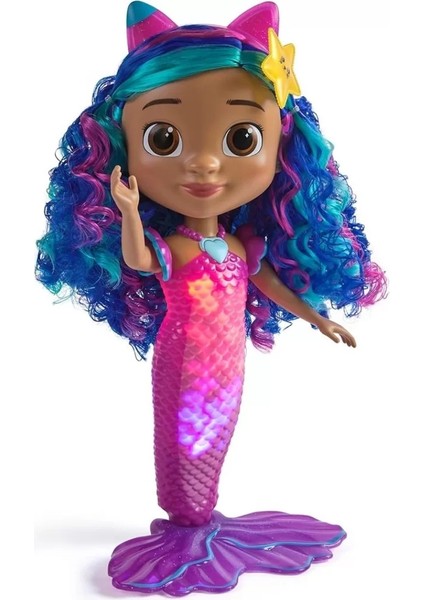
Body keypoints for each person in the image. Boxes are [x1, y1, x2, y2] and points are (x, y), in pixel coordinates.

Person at [35, 1, 386, 594]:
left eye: (242, 138)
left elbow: (267, 281)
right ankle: (187, 523)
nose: (202, 162)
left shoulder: (239, 244)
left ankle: (203, 518)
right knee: (184, 443)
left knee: (216, 437)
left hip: (228, 367)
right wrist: (127, 211)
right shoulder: (175, 244)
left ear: (282, 148)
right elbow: (139, 260)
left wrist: (317, 318)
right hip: (185, 365)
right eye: (164, 138)